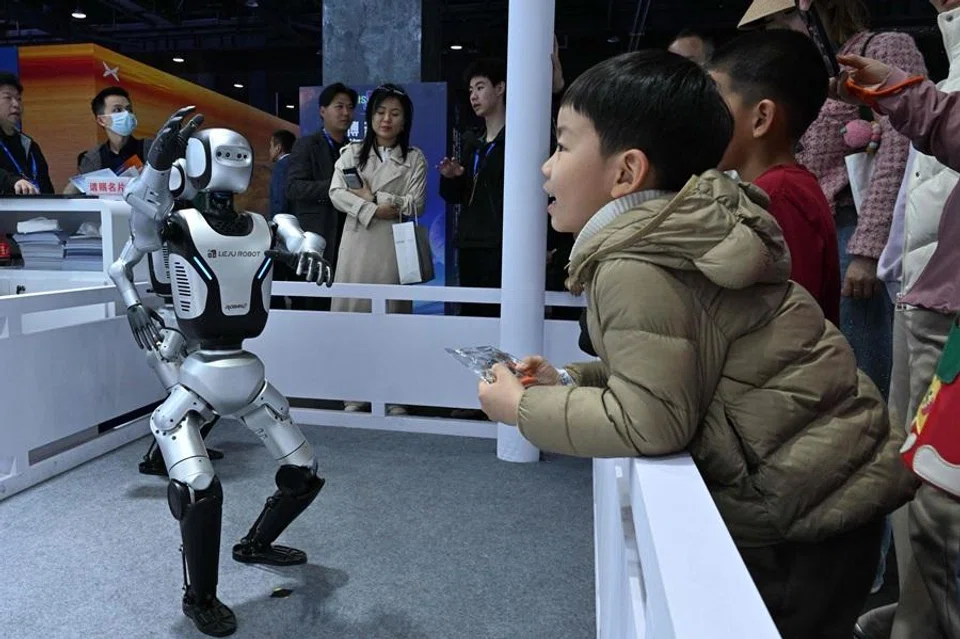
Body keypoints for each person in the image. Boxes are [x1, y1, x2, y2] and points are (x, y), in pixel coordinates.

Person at [476, 50, 916, 639]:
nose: (545, 167)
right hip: (830, 495)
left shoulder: (635, 265)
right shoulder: (682, 231)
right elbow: (684, 367)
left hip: (799, 518)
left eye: (562, 144)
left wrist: (520, 409)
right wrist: (570, 381)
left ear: (627, 172)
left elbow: (651, 421)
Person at [834, 34, 960, 639]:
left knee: (938, 487)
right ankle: (917, 608)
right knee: (916, 463)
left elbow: (932, 141)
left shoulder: (898, 48)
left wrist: (891, 91)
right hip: (927, 282)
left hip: (943, 295)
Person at [738, 0, 925, 404]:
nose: (777, 30)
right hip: (807, 229)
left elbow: (900, 151)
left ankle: (872, 458)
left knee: (861, 372)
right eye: (768, 24)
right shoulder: (797, 73)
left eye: (784, 16)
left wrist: (867, 250)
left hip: (853, 233)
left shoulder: (881, 48)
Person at [708, 30, 841, 324]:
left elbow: (789, 321)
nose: (700, 115)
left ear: (761, 118)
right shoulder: (783, 187)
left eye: (713, 99)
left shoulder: (778, 195)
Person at [329, 83, 427, 414]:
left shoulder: (414, 159)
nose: (386, 119)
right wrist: (372, 208)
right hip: (357, 243)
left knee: (393, 323)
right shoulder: (352, 154)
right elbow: (337, 193)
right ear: (371, 116)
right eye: (380, 112)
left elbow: (417, 202)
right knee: (353, 319)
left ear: (404, 120)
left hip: (392, 248)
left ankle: (394, 393)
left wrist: (380, 199)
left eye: (394, 113)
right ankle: (353, 393)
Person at [439, 58, 506, 318]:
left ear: (499, 89)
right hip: (469, 243)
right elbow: (453, 197)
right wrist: (452, 176)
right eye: (470, 91)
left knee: (498, 314)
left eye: (480, 88)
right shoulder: (472, 142)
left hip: (501, 244)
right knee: (472, 315)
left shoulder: (516, 140)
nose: (474, 96)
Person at [286, 82, 358, 310]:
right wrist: (335, 189)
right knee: (310, 306)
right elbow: (294, 188)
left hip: (348, 241)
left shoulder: (355, 150)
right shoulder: (306, 145)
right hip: (314, 239)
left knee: (342, 306)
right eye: (339, 106)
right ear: (322, 111)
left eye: (349, 107)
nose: (345, 113)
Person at [0, 72, 53, 195]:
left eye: (19, 99)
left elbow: (46, 186)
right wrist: (13, 181)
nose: (16, 104)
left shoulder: (29, 145)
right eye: (8, 98)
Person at [268, 129, 296, 217]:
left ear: (278, 148)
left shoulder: (281, 166)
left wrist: (276, 223)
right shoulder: (298, 163)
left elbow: (279, 200)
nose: (269, 150)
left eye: (271, 146)